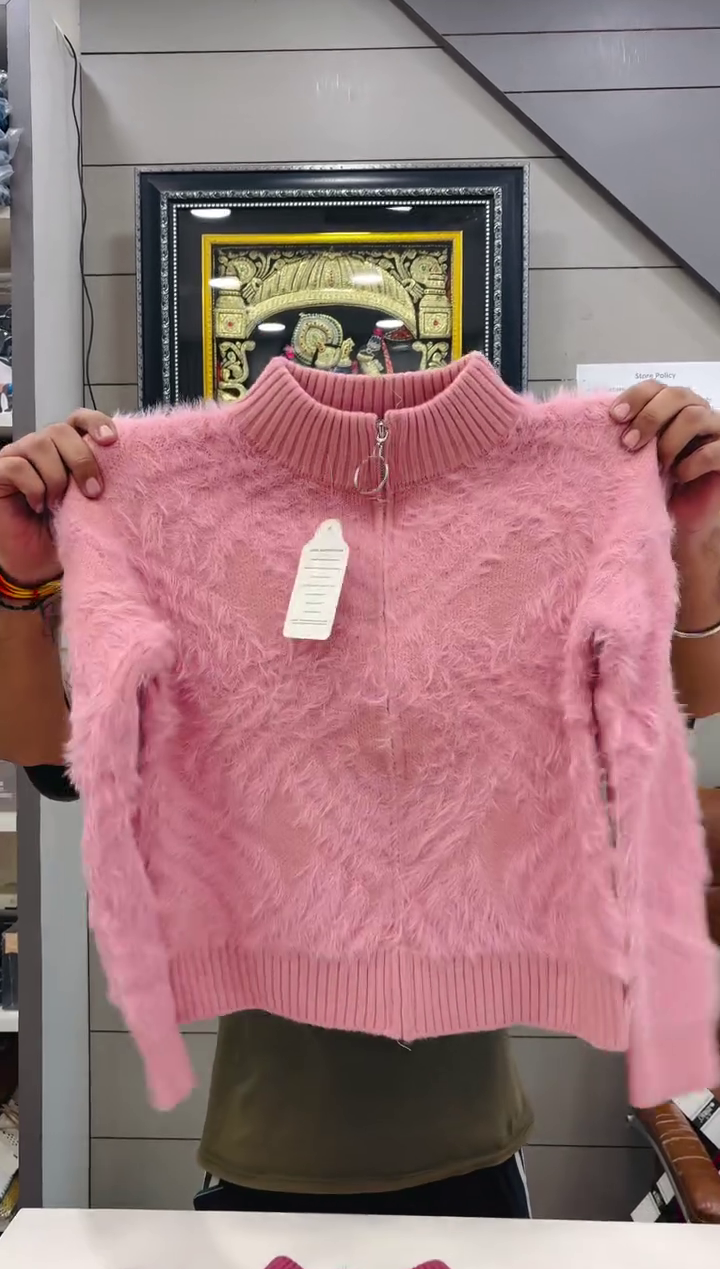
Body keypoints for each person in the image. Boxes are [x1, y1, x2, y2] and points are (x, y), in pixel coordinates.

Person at [2, 378, 720, 1218]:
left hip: (475, 1139)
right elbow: (50, 755)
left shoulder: (554, 496)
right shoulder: (178, 503)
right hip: (266, 1148)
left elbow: (683, 699)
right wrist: (17, 578)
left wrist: (695, 542)